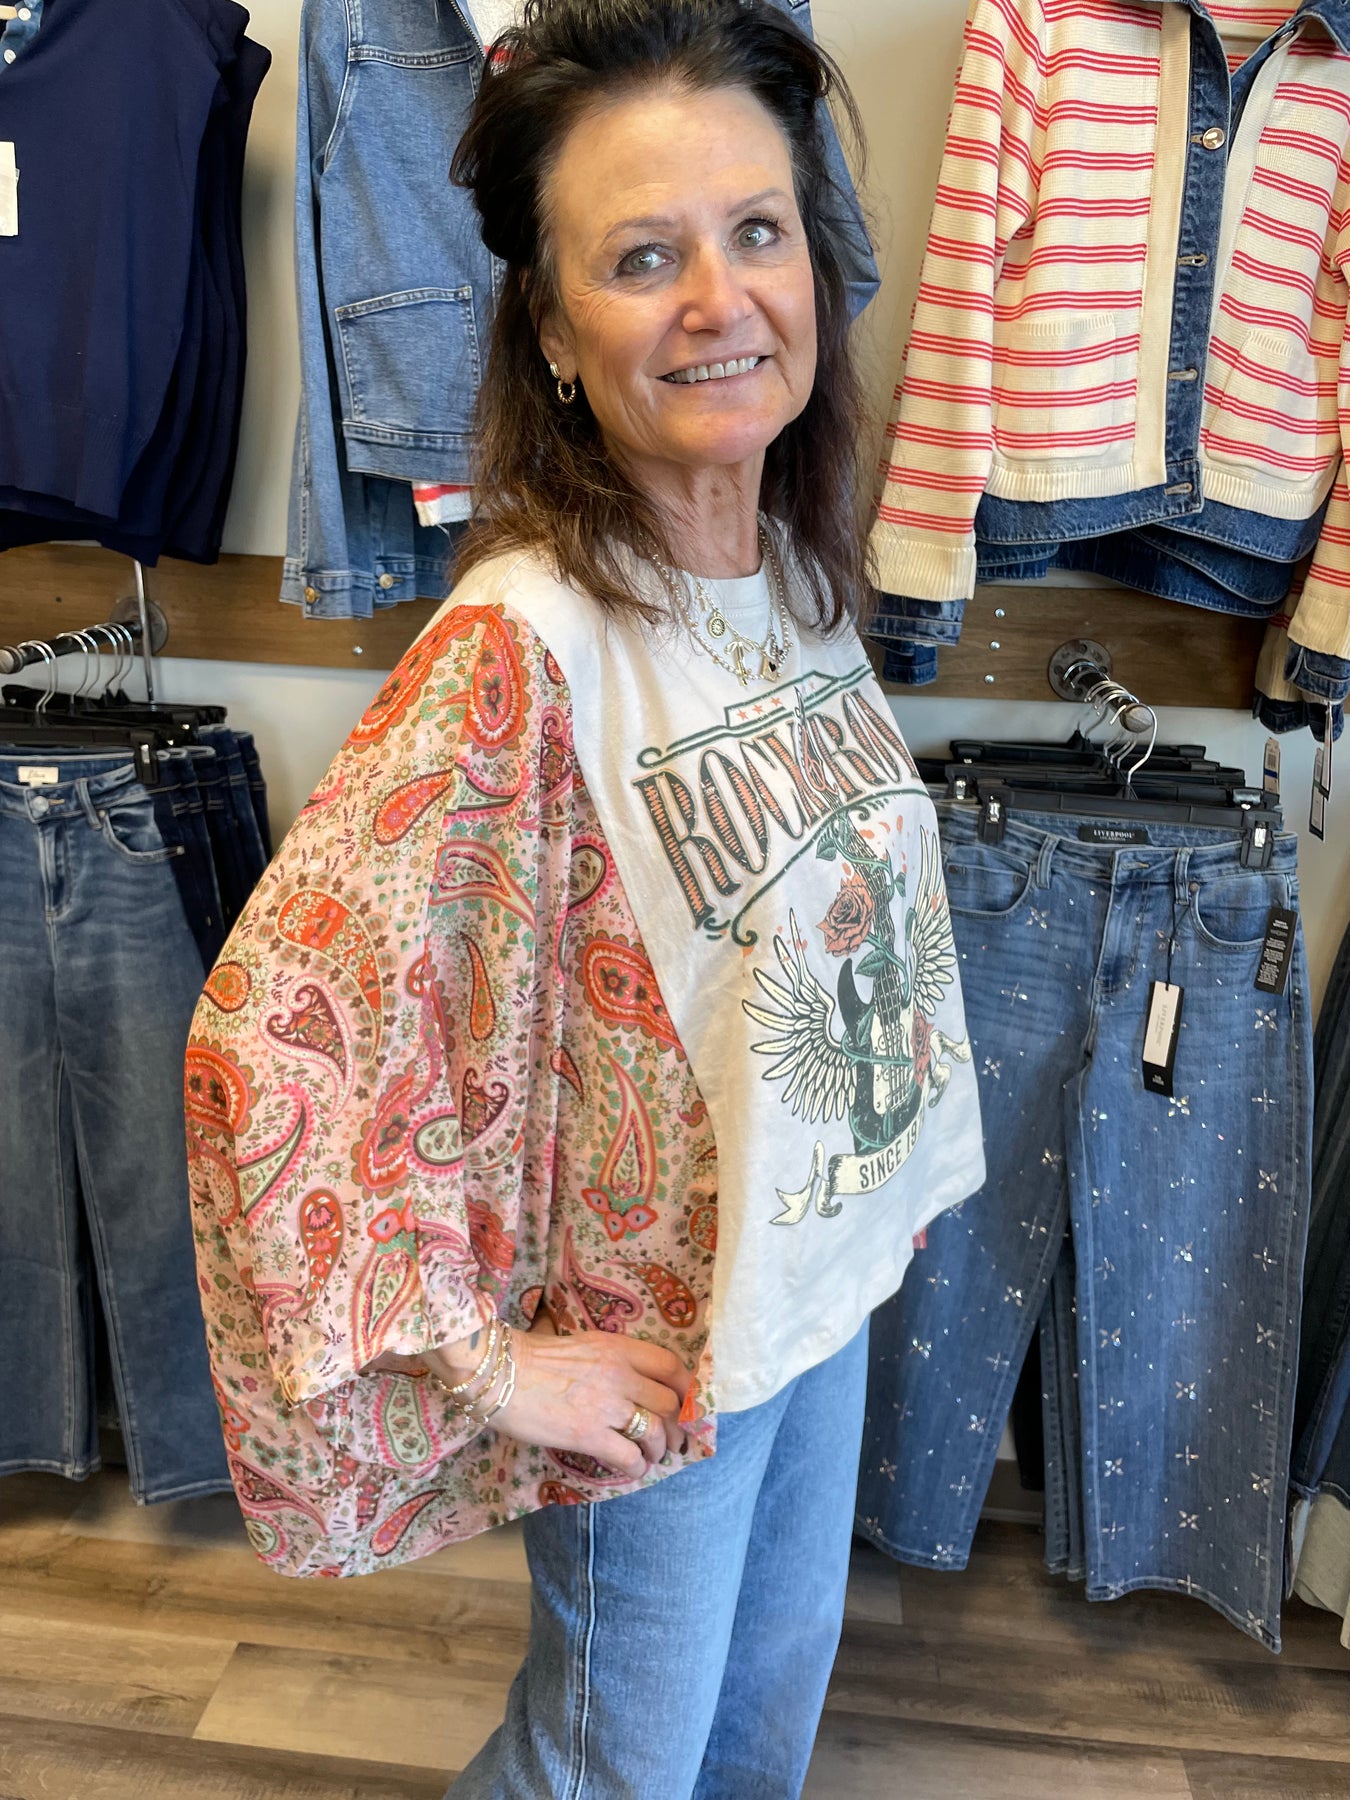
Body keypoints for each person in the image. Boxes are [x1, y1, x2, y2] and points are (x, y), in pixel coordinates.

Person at [184, 1, 986, 1793]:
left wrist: (884, 1178)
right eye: (640, 258)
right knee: (605, 1770)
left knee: (756, 1740)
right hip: (663, 1354)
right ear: (551, 330)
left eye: (755, 229)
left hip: (806, 1297)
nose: (719, 298)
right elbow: (272, 1041)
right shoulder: (523, 645)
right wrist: (487, 1365)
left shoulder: (788, 572)